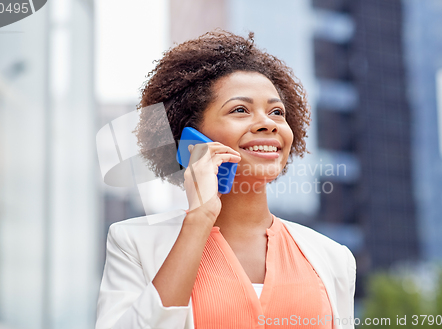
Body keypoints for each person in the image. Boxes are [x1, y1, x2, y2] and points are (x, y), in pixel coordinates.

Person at [95, 30, 356, 329]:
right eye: (240, 110)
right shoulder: (134, 243)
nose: (268, 124)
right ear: (190, 139)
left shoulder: (334, 258)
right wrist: (200, 218)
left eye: (276, 112)